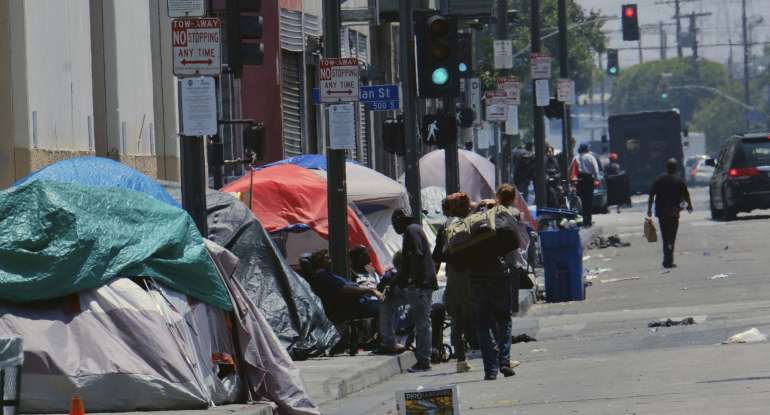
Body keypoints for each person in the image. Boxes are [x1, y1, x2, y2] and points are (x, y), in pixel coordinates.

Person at [467, 184, 521, 381]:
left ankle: (490, 370)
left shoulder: (471, 222)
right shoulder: (502, 217)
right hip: (497, 274)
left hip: (476, 277)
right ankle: (504, 362)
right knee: (504, 319)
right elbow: (515, 242)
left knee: (482, 324)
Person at [379, 209, 438, 372]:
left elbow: (416, 257)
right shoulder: (412, 231)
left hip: (419, 285)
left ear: (401, 220)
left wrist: (411, 280)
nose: (394, 227)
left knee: (422, 323)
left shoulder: (411, 230)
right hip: (415, 285)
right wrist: (394, 283)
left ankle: (424, 361)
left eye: (394, 223)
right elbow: (406, 264)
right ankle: (389, 342)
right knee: (388, 303)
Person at [432, 193, 474, 373]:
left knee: (457, 319)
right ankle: (496, 356)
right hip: (472, 275)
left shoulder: (444, 227)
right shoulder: (469, 223)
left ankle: (461, 359)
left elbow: (437, 257)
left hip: (455, 276)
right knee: (479, 316)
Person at [308, 249, 384, 322]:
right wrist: (371, 290)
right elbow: (343, 289)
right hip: (351, 308)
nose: (330, 261)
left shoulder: (328, 275)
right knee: (386, 308)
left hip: (360, 303)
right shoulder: (322, 275)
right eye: (327, 259)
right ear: (319, 262)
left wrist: (361, 286)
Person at [647, 158, 693, 269]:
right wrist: (689, 206)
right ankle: (669, 260)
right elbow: (686, 195)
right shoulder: (679, 180)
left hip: (662, 213)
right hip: (674, 213)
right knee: (671, 237)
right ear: (675, 168)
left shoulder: (659, 180)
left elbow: (651, 195)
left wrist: (649, 209)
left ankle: (666, 259)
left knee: (665, 236)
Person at [573, 143, 599, 227]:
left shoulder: (576, 157)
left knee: (581, 202)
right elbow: (596, 170)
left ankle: (582, 220)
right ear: (587, 149)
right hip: (588, 180)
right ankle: (588, 221)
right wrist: (596, 179)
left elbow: (571, 169)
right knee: (589, 201)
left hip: (579, 180)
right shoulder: (591, 157)